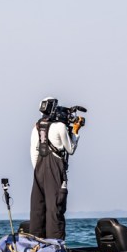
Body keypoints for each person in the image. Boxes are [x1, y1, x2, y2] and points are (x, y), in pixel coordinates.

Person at [29, 97, 83, 240]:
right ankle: (55, 245)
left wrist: (39, 172)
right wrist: (75, 131)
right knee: (55, 208)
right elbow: (70, 149)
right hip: (54, 167)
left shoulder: (36, 127)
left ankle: (35, 244)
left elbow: (34, 153)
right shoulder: (60, 126)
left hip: (38, 169)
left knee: (37, 209)